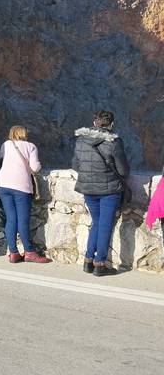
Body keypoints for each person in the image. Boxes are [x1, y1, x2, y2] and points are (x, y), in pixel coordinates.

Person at [72, 110, 129, 276]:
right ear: (111, 124)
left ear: (94, 122)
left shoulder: (81, 140)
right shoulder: (114, 141)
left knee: (96, 222)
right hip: (109, 190)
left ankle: (88, 260)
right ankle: (100, 264)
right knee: (104, 224)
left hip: (88, 189)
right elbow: (123, 170)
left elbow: (76, 165)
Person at [0, 126, 50, 263]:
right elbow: (35, 167)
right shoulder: (30, 146)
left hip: (3, 184)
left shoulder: (5, 144)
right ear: (24, 134)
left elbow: (2, 160)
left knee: (11, 219)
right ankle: (29, 252)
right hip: (21, 186)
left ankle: (13, 252)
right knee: (23, 219)